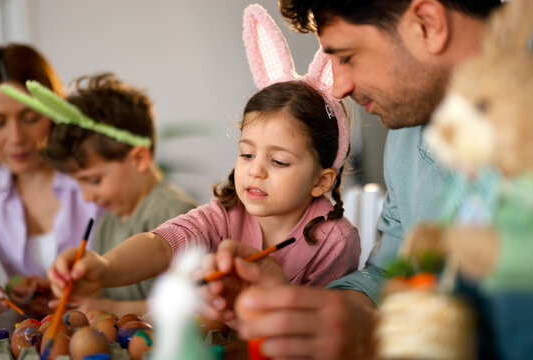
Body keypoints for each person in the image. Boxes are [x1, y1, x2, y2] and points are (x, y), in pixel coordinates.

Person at [198, 1, 504, 359]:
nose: (340, 88)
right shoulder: (406, 141)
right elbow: (385, 274)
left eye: (348, 56)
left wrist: (381, 337)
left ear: (427, 24)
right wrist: (310, 310)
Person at [47, 48, 361, 305]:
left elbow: (321, 327)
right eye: (247, 154)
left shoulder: (336, 241)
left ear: (322, 181)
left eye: (278, 161)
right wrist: (104, 268)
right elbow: (160, 246)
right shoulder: (224, 216)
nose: (255, 170)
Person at [38, 73, 198, 316]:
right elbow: (102, 295)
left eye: (94, 180)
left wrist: (113, 310)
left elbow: (194, 306)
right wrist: (74, 289)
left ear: (139, 159)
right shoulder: (107, 223)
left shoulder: (177, 216)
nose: (87, 197)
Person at [0, 43, 100, 319]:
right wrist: (12, 291)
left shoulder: (91, 178)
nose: (16, 138)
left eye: (30, 117)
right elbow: (9, 286)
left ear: (53, 111)